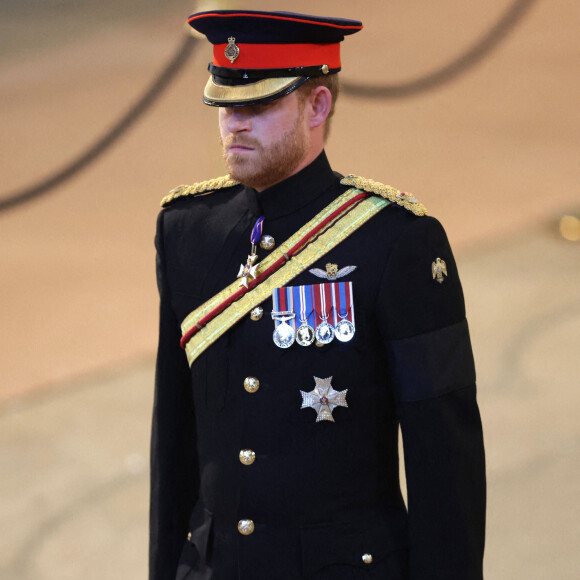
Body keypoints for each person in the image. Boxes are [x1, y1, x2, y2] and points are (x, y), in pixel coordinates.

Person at [150, 9, 486, 580]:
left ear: (318, 106)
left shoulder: (396, 242)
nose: (235, 124)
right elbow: (174, 440)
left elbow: (444, 462)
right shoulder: (186, 229)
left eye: (258, 105)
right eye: (225, 105)